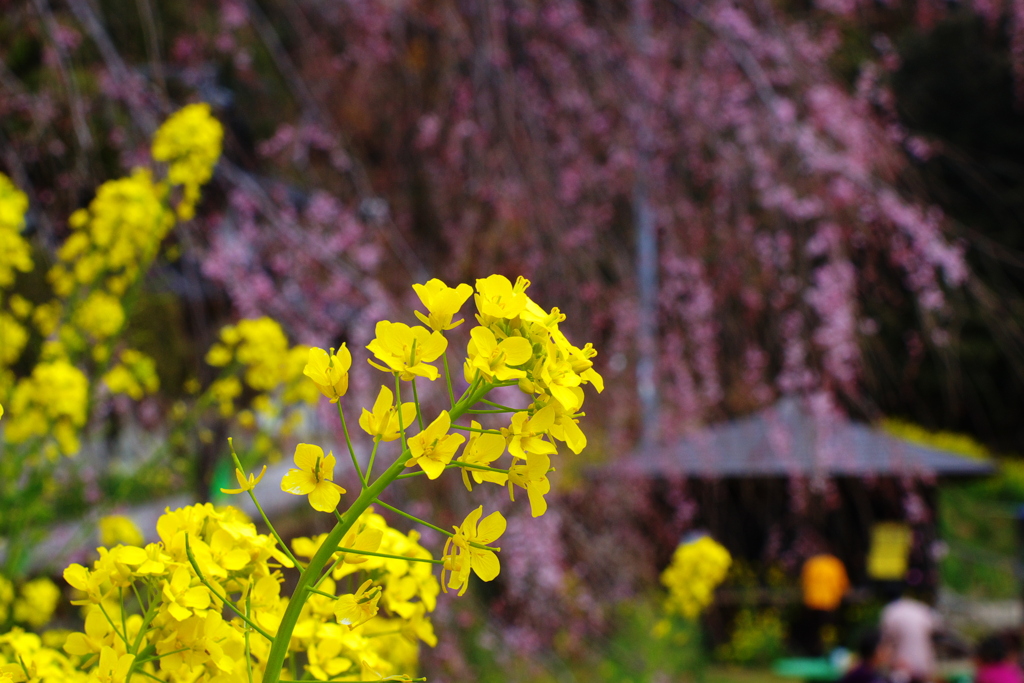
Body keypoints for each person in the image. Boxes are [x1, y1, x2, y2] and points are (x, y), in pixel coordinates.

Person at [879, 588, 941, 683]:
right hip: (925, 664)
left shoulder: (890, 611)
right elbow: (937, 629)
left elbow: (886, 642)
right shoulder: (918, 607)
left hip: (903, 667)